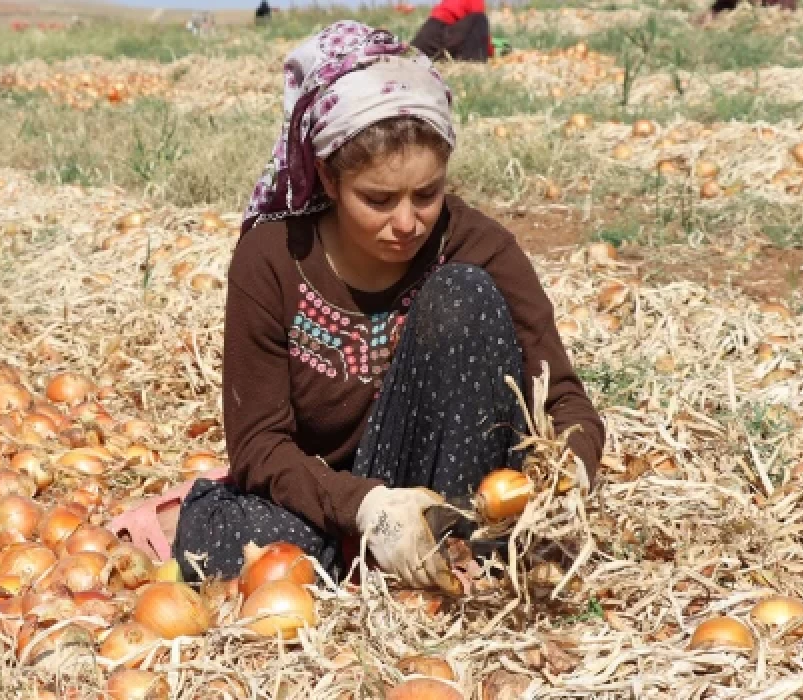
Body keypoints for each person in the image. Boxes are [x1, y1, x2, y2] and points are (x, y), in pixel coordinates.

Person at [108, 21, 603, 593]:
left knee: (462, 296)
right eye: (378, 199)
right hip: (337, 500)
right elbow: (259, 446)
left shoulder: (476, 245)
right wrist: (368, 508)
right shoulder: (272, 259)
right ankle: (378, 551)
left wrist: (568, 474)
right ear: (328, 176)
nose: (407, 222)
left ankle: (455, 551)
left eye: (427, 193)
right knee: (230, 538)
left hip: (459, 493)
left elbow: (563, 398)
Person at [411, 0, 494, 62]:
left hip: (423, 40)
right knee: (480, 19)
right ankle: (473, 60)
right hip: (440, 33)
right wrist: (490, 51)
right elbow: (481, 31)